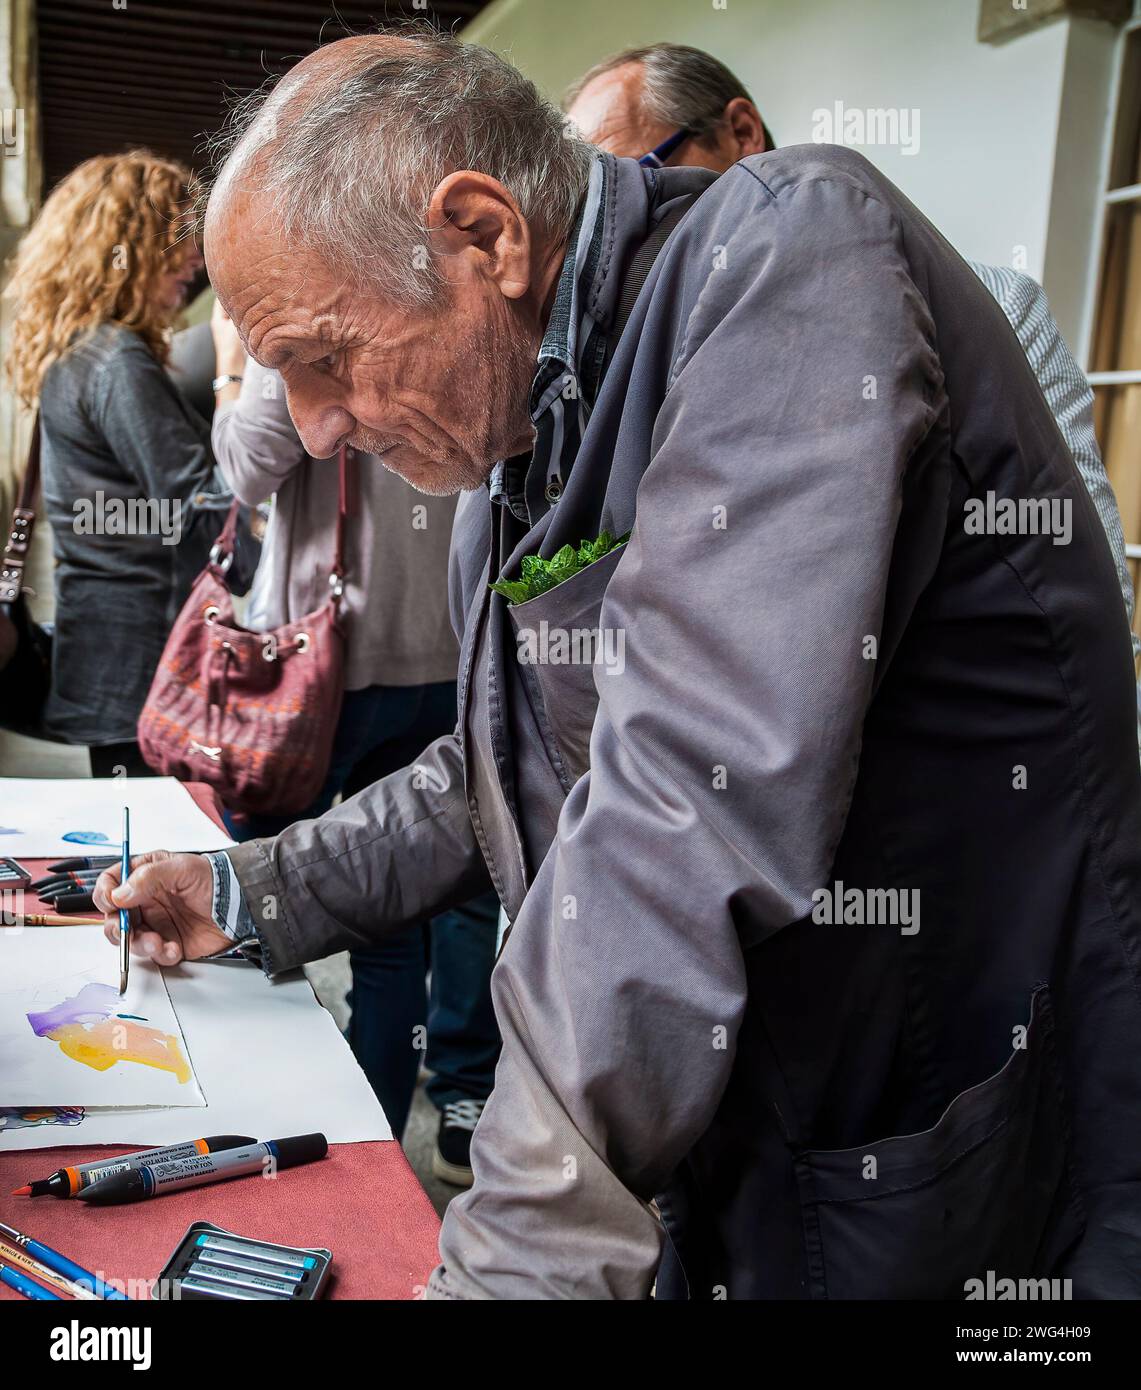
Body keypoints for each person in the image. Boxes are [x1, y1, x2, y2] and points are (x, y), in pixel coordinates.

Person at [96, 29, 1141, 1299]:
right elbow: (491, 764)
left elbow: (679, 805)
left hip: (907, 1124)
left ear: (482, 234)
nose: (312, 428)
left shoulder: (793, 250)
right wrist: (254, 890)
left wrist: (511, 1261)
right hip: (734, 1137)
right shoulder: (517, 438)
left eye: (324, 359)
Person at [565, 42, 1139, 678]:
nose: (620, 240)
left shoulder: (995, 308)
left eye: (641, 180)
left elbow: (1090, 588)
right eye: (597, 217)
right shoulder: (623, 379)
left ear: (742, 133)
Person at [208, 323, 501, 1180]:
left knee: (254, 900)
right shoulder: (437, 314)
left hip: (315, 668)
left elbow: (246, 467)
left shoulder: (292, 323)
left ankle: (249, 1121)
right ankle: (372, 1146)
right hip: (440, 651)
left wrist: (233, 370)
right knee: (390, 916)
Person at [3, 152, 228, 775]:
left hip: (107, 664)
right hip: (148, 676)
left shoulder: (76, 352)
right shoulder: (116, 361)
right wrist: (238, 394)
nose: (196, 259)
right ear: (128, 244)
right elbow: (202, 514)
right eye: (179, 237)